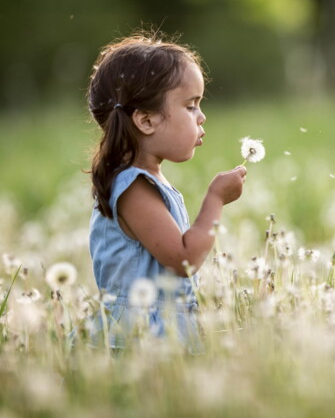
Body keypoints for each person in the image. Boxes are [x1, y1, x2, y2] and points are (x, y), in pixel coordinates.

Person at [86, 33, 246, 353]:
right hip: (140, 340)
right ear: (146, 120)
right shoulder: (133, 190)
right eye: (190, 106)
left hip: (161, 331)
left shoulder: (145, 181)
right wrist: (215, 198)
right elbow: (184, 260)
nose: (201, 117)